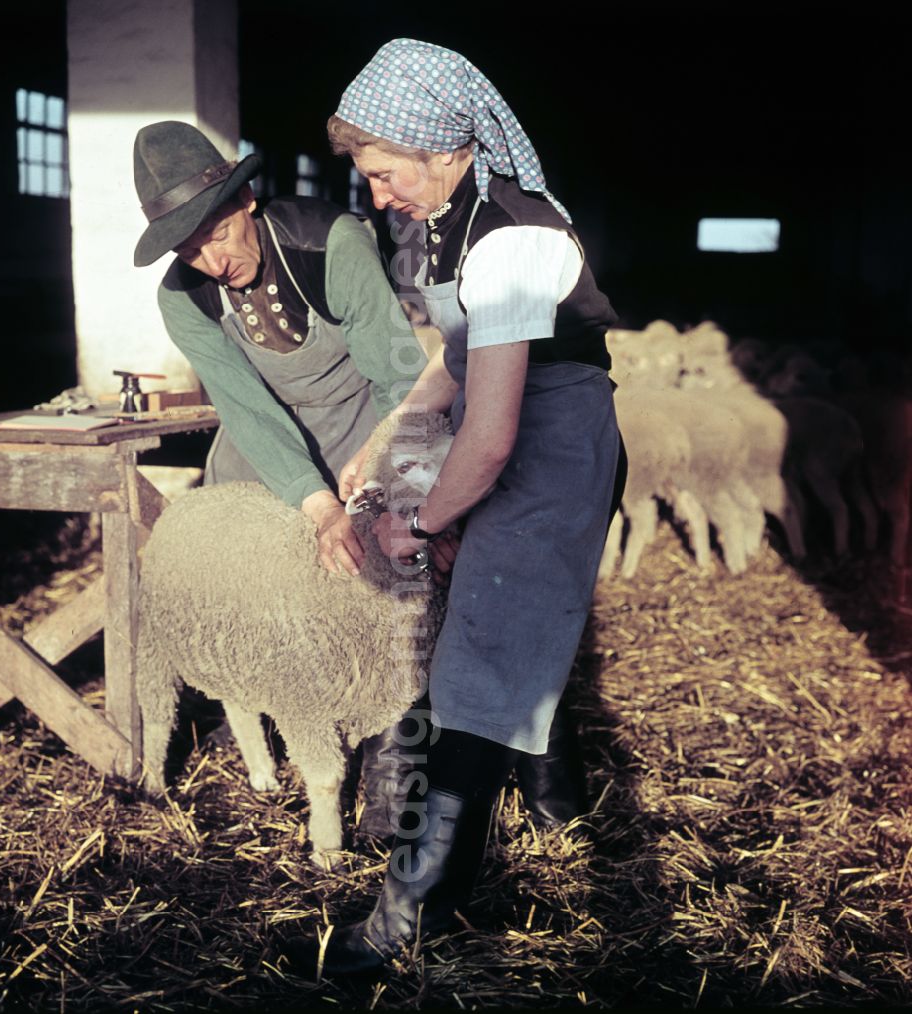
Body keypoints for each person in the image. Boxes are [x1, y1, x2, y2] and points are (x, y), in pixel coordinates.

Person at [285, 38, 626, 975]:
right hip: (512, 424)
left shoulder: (513, 235)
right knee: (509, 631)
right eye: (367, 177)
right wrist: (387, 433)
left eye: (386, 173)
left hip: (548, 443)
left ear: (439, 146)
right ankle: (558, 810)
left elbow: (496, 430)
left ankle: (412, 920)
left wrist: (423, 520)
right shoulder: (458, 214)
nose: (379, 194)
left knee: (473, 669)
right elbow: (459, 358)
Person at [131, 119, 432, 836]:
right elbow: (247, 410)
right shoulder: (184, 297)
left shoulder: (333, 246)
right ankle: (278, 751)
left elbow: (399, 377)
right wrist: (314, 503)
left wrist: (394, 480)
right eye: (187, 248)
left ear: (245, 204)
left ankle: (392, 790)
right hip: (263, 457)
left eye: (215, 234)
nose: (208, 259)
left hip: (364, 433)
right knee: (264, 608)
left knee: (392, 601)